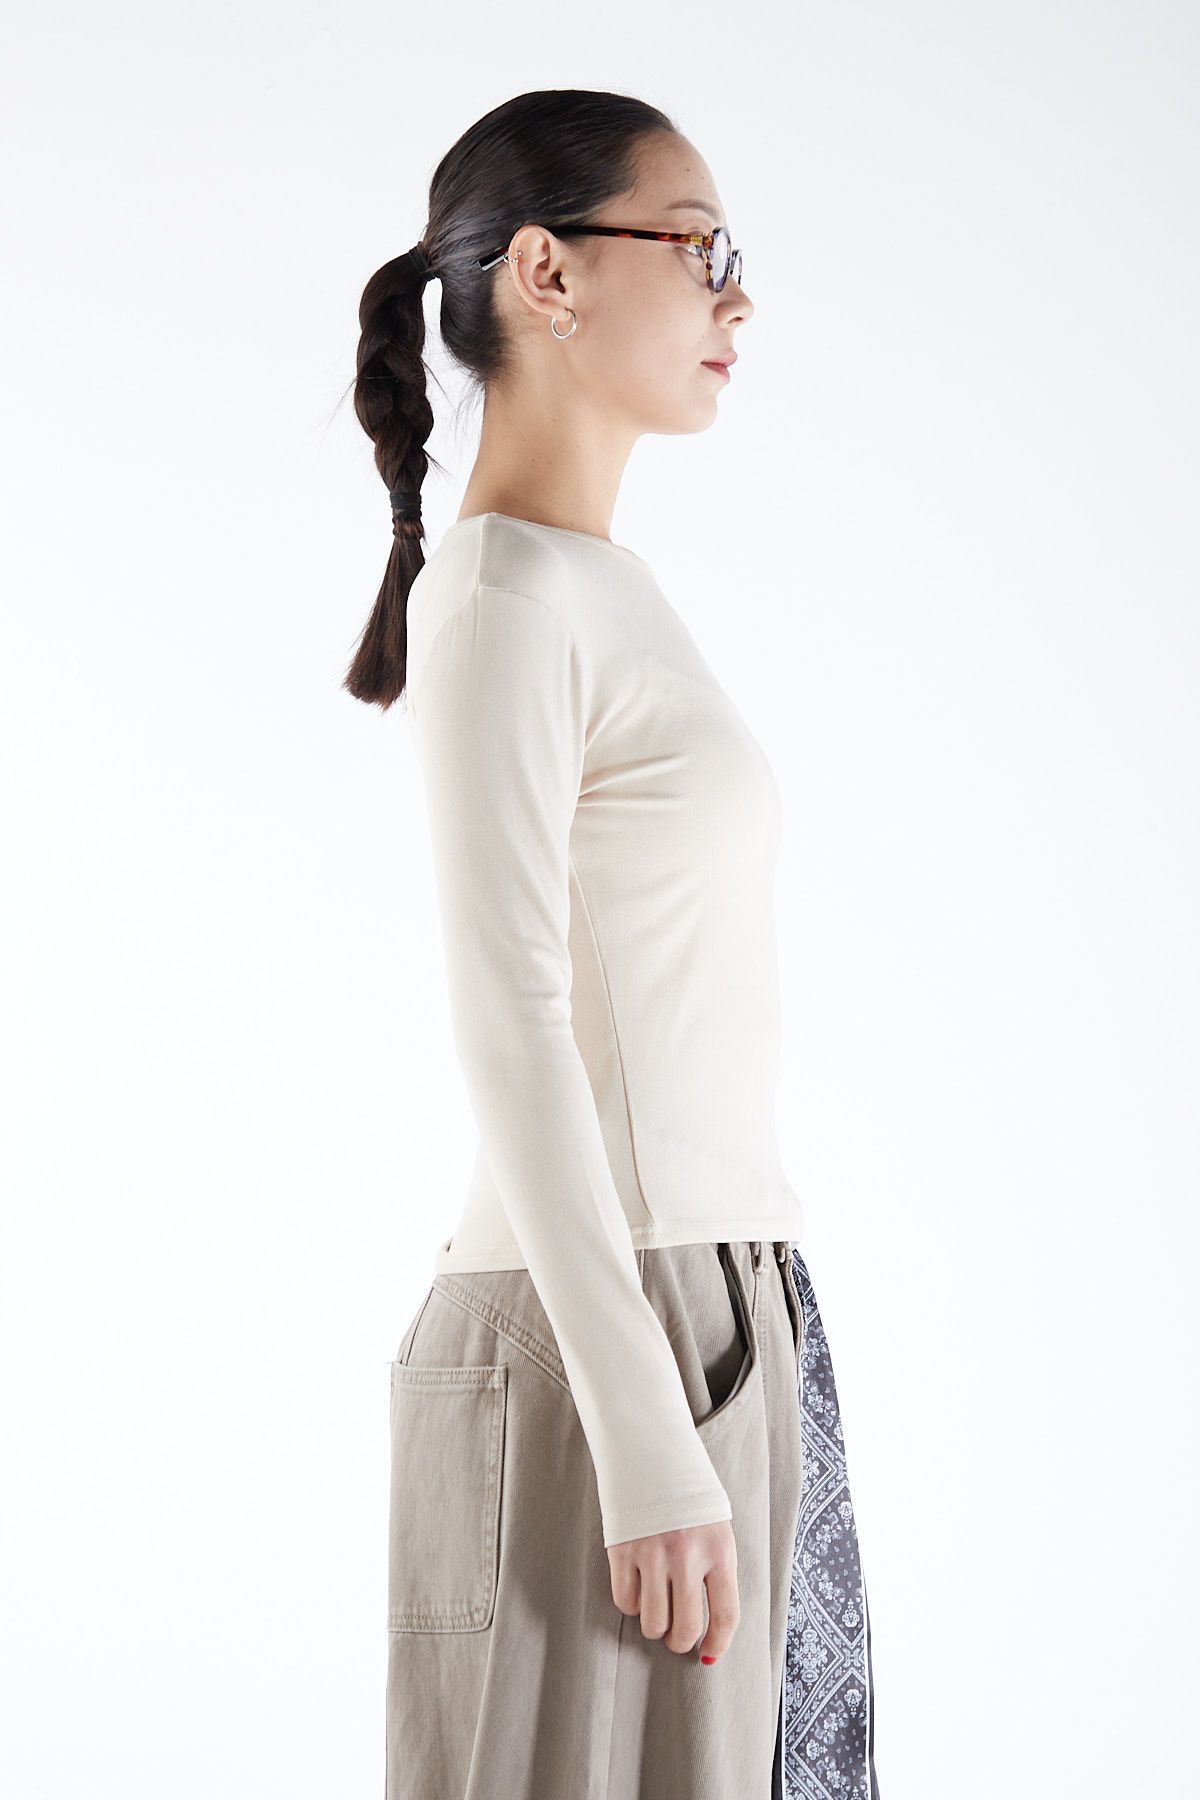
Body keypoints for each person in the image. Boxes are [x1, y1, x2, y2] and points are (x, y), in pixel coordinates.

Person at [345, 88, 880, 1799]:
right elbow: (504, 1017)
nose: (738, 296)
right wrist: (647, 1437)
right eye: (700, 247)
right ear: (549, 274)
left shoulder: (599, 589)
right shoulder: (503, 594)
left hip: (714, 1300)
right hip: (608, 1334)